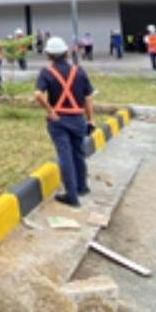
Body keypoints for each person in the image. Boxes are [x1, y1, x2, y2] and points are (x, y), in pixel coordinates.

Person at [34, 36, 95, 207]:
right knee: (79, 153)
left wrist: (50, 110)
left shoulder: (46, 72)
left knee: (65, 155)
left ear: (48, 54)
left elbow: (38, 94)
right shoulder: (79, 71)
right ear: (66, 53)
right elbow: (88, 97)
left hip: (59, 120)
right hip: (78, 118)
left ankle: (71, 196)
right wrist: (90, 119)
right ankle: (82, 187)